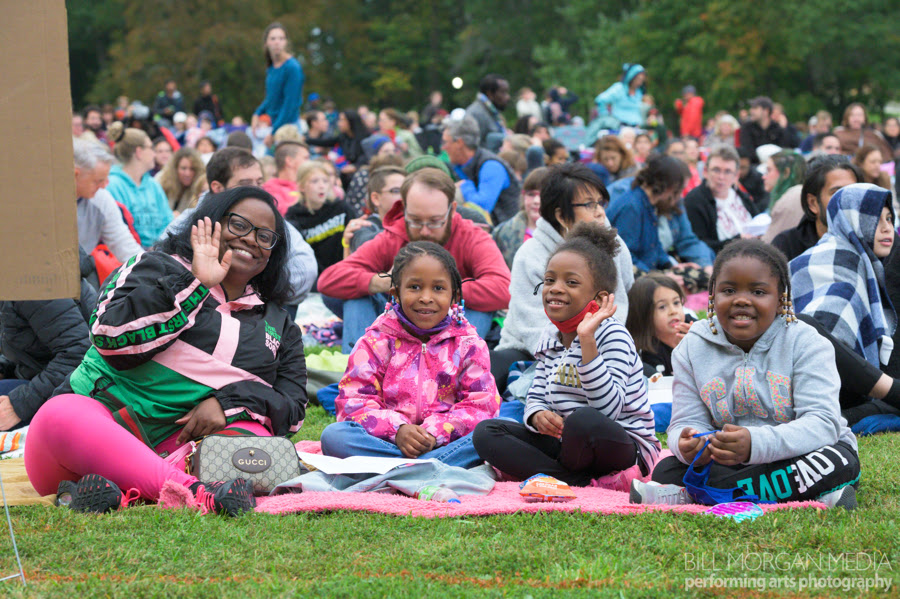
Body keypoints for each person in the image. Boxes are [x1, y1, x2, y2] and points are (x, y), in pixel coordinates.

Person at [24, 187, 308, 515]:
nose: (250, 239)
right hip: (88, 441)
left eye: (265, 236)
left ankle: (118, 493)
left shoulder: (279, 323)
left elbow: (293, 409)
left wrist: (227, 404)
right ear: (211, 223)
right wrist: (196, 284)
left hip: (182, 447)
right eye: (239, 225)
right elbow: (110, 339)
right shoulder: (154, 266)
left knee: (253, 436)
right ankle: (194, 493)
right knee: (60, 416)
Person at [631, 240, 859, 509]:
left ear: (781, 298)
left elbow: (823, 424)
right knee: (667, 468)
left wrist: (755, 445)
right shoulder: (691, 347)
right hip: (731, 460)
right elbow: (685, 421)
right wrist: (689, 443)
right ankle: (812, 495)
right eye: (729, 290)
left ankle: (698, 493)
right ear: (713, 295)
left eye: (758, 292)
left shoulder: (807, 343)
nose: (741, 299)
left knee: (837, 460)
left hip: (801, 455)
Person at [474, 223, 660, 486]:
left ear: (601, 298)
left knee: (582, 421)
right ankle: (574, 480)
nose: (555, 288)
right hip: (567, 446)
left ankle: (560, 474)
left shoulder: (613, 335)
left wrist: (587, 342)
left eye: (571, 282)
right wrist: (537, 415)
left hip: (619, 445)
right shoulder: (550, 335)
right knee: (487, 432)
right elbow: (537, 393)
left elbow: (608, 410)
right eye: (549, 280)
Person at [320, 242, 498, 468]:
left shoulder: (469, 344)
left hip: (446, 442)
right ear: (395, 293)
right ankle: (428, 467)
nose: (426, 297)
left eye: (438, 288)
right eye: (414, 287)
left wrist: (435, 434)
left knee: (497, 431)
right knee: (335, 436)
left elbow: (480, 405)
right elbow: (354, 403)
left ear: (454, 296)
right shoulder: (375, 342)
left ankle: (400, 468)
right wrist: (397, 430)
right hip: (387, 442)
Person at [317, 168, 510, 352]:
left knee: (480, 307)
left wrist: (441, 291)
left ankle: (452, 373)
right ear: (404, 209)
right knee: (354, 295)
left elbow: (504, 288)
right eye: (416, 220)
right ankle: (359, 372)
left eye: (435, 222)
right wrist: (384, 282)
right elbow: (329, 281)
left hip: (451, 323)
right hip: (399, 327)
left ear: (452, 210)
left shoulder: (472, 237)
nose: (424, 231)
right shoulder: (395, 234)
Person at [493, 163, 634, 391]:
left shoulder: (613, 245)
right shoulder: (530, 255)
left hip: (602, 347)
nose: (600, 212)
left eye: (601, 203)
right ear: (561, 215)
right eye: (589, 205)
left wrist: (601, 351)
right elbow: (533, 327)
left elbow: (624, 294)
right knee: (496, 369)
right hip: (533, 351)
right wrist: (573, 360)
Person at [168, 147, 317, 308]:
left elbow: (306, 267)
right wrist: (201, 288)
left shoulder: (270, 219)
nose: (256, 190)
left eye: (259, 183)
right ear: (218, 188)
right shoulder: (185, 225)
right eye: (238, 226)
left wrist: (257, 295)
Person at [791, 184, 896, 370]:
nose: (887, 228)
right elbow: (824, 342)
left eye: (889, 219)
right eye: (875, 220)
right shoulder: (841, 261)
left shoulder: (863, 261)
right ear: (851, 221)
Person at [0, 250, 95, 432]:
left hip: (86, 390)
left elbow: (81, 353)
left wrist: (18, 405)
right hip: (51, 379)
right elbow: (32, 341)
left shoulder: (30, 278)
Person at [607, 155, 714, 292]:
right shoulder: (632, 207)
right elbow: (626, 257)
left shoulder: (649, 204)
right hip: (632, 273)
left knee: (703, 276)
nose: (679, 196)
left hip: (649, 269)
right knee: (676, 283)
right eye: (678, 190)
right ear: (667, 187)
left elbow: (655, 246)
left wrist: (670, 266)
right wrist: (659, 276)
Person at [770, 156, 861, 261]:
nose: (848, 200)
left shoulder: (873, 241)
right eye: (837, 193)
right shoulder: (787, 246)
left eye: (854, 191)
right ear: (813, 203)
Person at [73, 139, 143, 264]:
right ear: (75, 175)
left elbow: (123, 244)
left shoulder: (101, 198)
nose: (104, 186)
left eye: (105, 179)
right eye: (98, 181)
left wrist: (152, 270)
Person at [285, 162, 356, 284]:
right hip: (314, 281)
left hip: (345, 274)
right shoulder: (293, 217)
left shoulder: (341, 208)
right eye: (315, 181)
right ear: (302, 187)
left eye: (325, 181)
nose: (321, 186)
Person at [105, 122, 173, 248]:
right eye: (151, 148)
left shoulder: (153, 185)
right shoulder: (112, 186)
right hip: (127, 259)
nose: (154, 154)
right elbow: (116, 234)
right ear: (139, 152)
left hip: (157, 256)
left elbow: (167, 223)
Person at [443, 115, 521, 224]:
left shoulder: (491, 166)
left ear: (459, 143)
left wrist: (465, 186)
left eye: (446, 142)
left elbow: (481, 208)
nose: (443, 147)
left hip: (507, 235)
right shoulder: (460, 165)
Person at [684, 145, 760, 254]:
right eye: (716, 170)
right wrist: (737, 242)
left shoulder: (741, 196)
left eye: (727, 171)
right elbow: (699, 244)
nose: (721, 177)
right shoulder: (694, 201)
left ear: (736, 176)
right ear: (705, 172)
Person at [625, 274, 695, 377]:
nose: (673, 311)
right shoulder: (648, 354)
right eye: (662, 307)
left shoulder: (693, 326)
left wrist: (701, 343)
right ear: (644, 314)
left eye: (676, 302)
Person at [252, 22, 304, 147]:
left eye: (281, 38)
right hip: (274, 125)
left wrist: (274, 132)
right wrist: (257, 113)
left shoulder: (292, 67)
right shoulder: (271, 68)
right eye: (273, 38)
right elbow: (271, 98)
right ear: (266, 43)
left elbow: (290, 104)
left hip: (288, 129)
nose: (277, 42)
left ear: (286, 42)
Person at [342, 165, 406, 256]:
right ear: (376, 198)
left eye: (406, 190)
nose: (404, 196)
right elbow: (366, 245)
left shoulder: (417, 222)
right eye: (396, 191)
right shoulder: (364, 226)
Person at [492, 167, 548, 269]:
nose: (536, 200)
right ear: (523, 196)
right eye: (531, 194)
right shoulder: (501, 233)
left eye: (543, 195)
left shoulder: (565, 234)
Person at [305, 110, 369, 181]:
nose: (339, 123)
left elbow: (367, 156)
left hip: (361, 173)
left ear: (350, 122)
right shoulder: (343, 137)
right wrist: (307, 140)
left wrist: (356, 166)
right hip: (346, 173)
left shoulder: (365, 137)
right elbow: (326, 142)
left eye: (342, 120)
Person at [262, 140, 310, 215]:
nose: (309, 163)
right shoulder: (270, 189)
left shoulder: (309, 184)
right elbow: (284, 214)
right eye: (305, 158)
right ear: (289, 161)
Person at [156, 147, 207, 215]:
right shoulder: (161, 179)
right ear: (175, 168)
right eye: (183, 168)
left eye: (192, 169)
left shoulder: (201, 188)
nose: (187, 173)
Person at [594, 63, 646, 127]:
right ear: (631, 76)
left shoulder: (639, 92)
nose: (640, 82)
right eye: (638, 79)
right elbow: (600, 100)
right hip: (619, 125)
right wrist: (605, 116)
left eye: (642, 80)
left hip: (636, 126)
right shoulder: (619, 88)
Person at [465, 74, 510, 148]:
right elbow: (471, 148)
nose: (508, 97)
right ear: (489, 94)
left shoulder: (492, 111)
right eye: (503, 92)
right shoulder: (476, 114)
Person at [739, 97, 789, 162]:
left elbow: (784, 149)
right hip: (754, 166)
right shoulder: (747, 128)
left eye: (755, 108)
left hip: (775, 165)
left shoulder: (777, 129)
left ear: (766, 111)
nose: (751, 111)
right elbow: (747, 151)